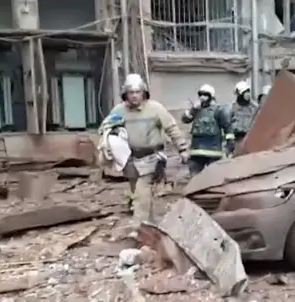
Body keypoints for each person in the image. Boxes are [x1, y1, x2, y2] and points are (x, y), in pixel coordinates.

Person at [99, 73, 189, 222]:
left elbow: (172, 128)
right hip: (130, 160)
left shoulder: (156, 109)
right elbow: (105, 128)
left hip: (151, 158)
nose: (134, 96)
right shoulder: (118, 111)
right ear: (125, 94)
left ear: (143, 92)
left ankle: (138, 227)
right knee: (140, 194)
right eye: (131, 92)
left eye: (137, 92)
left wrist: (183, 148)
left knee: (141, 193)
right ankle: (152, 225)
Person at [182, 84, 233, 176]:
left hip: (213, 153)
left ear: (211, 96)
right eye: (200, 94)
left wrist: (230, 143)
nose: (202, 97)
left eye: (205, 95)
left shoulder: (219, 110)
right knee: (195, 179)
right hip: (196, 152)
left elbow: (227, 127)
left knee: (213, 178)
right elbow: (185, 119)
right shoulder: (196, 109)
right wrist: (193, 109)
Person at [228, 80, 258, 154]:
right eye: (245, 92)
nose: (248, 94)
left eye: (248, 91)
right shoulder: (232, 107)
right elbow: (227, 124)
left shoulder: (254, 107)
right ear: (240, 94)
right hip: (237, 140)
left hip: (251, 140)